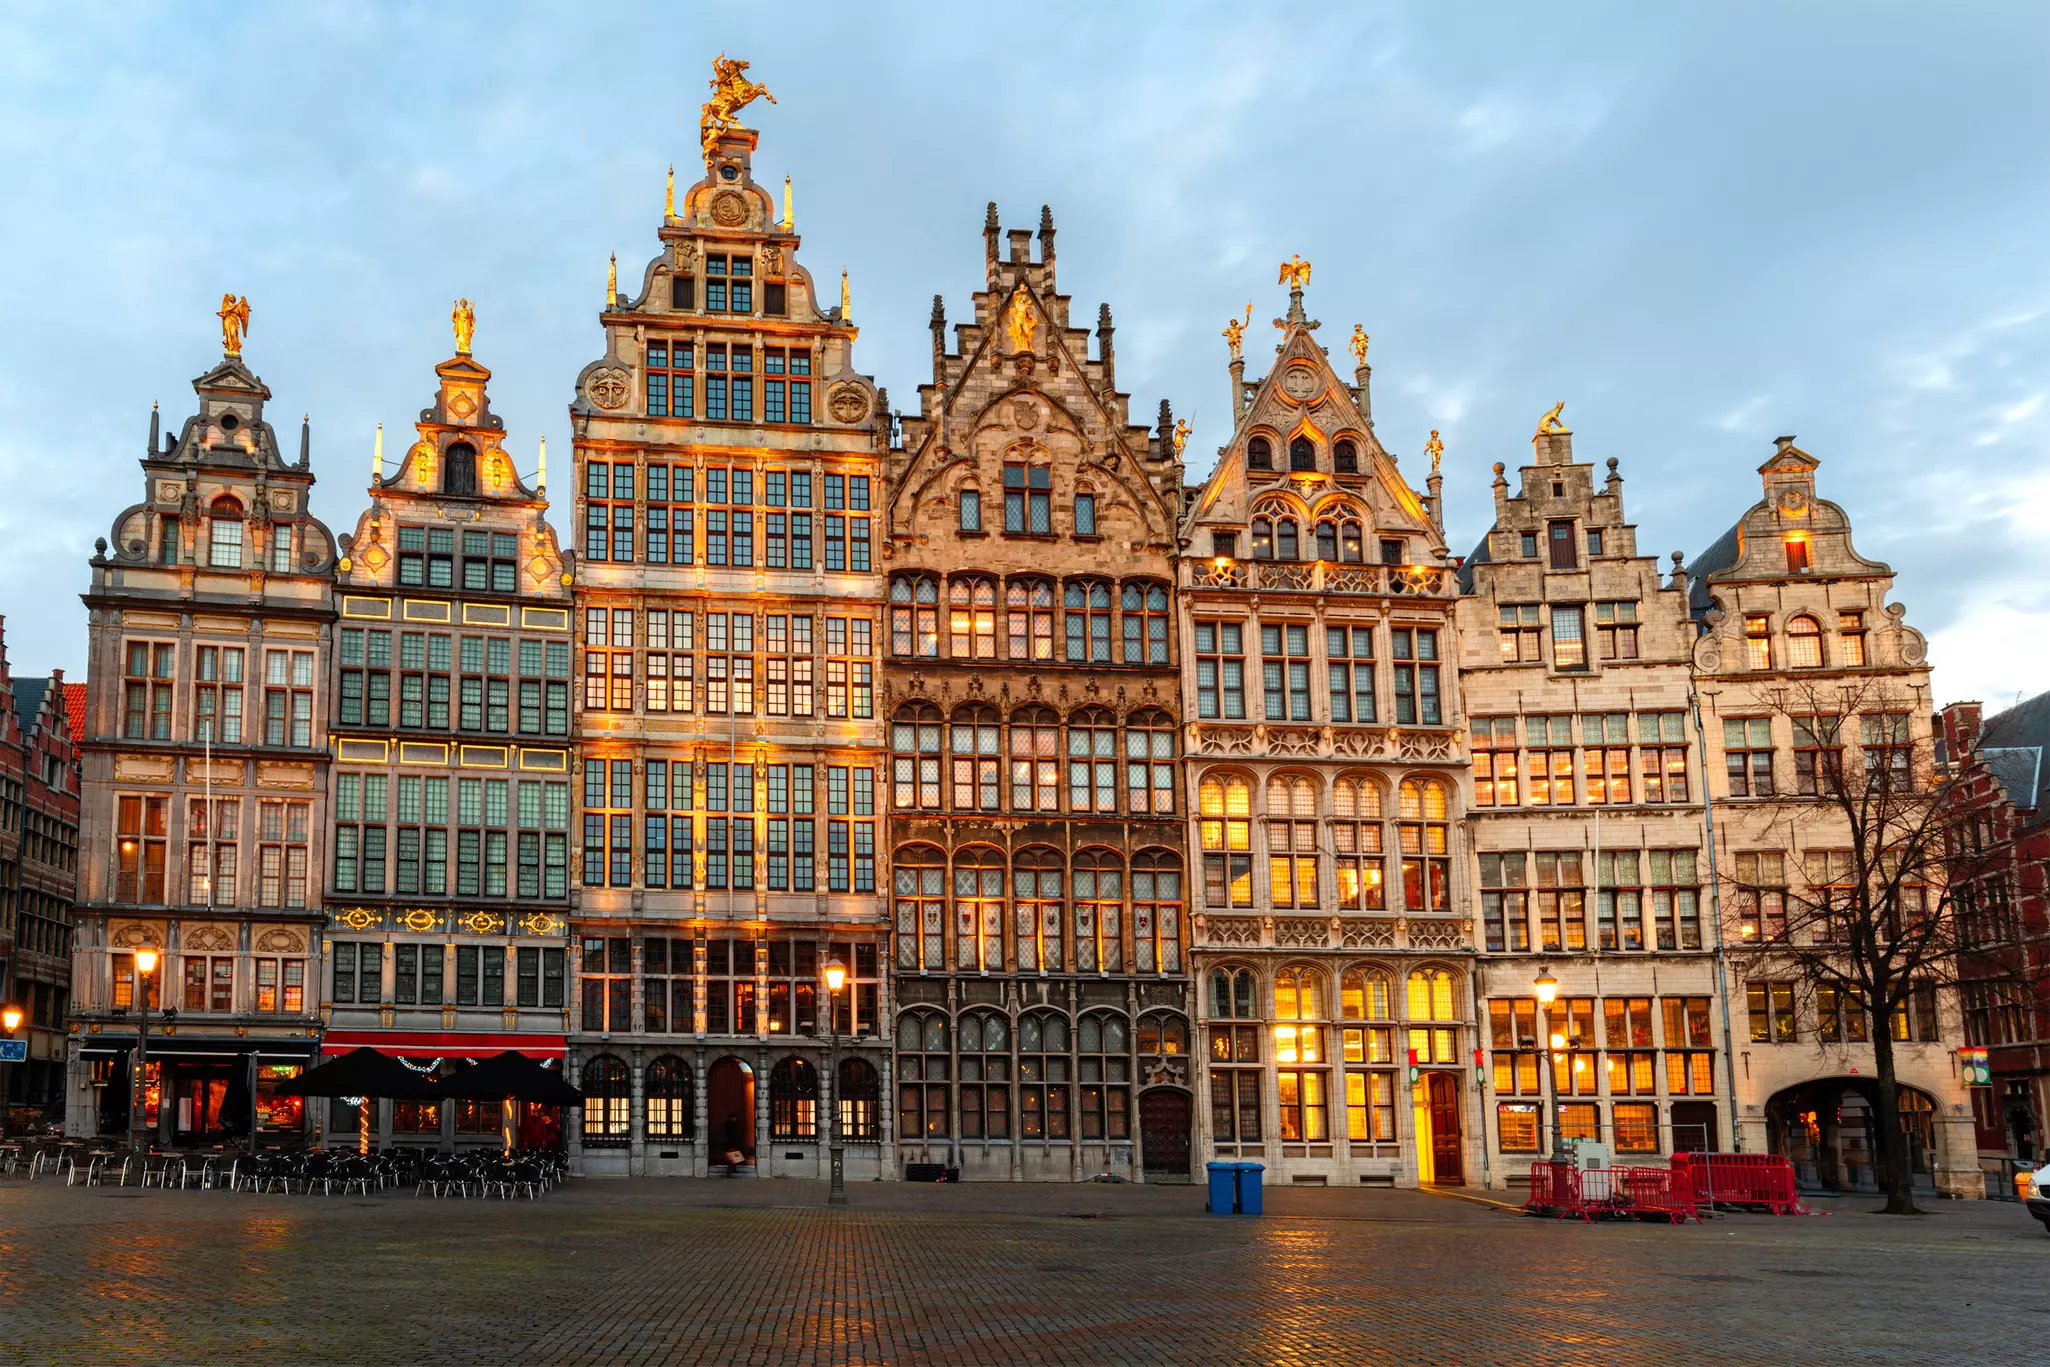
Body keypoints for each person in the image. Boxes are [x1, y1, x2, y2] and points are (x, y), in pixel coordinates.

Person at [722, 1112, 743, 1177]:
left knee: (734, 1157)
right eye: (735, 1117)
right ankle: (729, 1173)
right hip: (731, 1143)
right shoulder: (731, 1124)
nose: (735, 1119)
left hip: (730, 1143)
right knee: (732, 1158)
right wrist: (733, 1144)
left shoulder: (728, 1124)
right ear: (733, 1117)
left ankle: (733, 1169)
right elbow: (732, 1135)